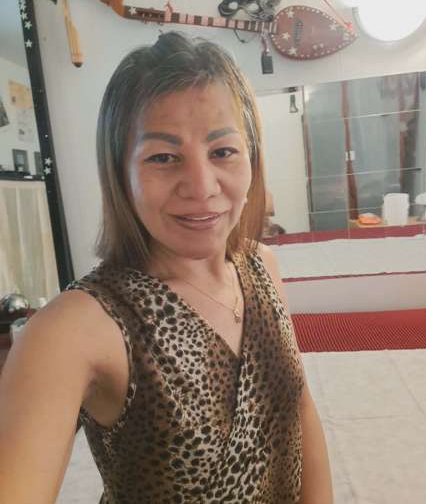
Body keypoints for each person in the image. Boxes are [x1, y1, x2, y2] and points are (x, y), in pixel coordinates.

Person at [0, 32, 333, 504]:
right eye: (162, 157)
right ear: (120, 174)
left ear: (252, 159)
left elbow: (299, 411)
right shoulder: (74, 328)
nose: (201, 186)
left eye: (222, 151)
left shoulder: (261, 265)